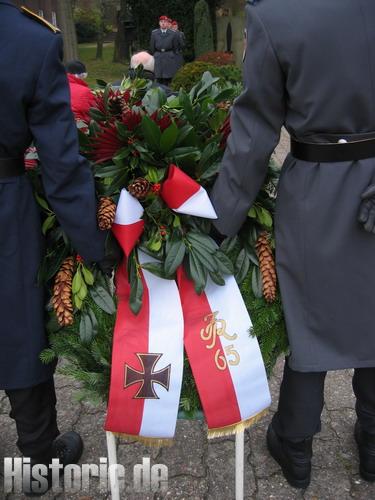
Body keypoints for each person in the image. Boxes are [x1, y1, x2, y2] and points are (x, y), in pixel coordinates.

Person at [210, 0, 375, 490]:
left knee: (311, 323)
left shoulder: (274, 15)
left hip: (314, 193)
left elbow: (254, 136)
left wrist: (220, 223)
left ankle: (296, 445)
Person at [0, 2, 111, 495]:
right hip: (5, 206)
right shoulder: (30, 39)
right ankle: (39, 456)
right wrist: (95, 246)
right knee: (18, 324)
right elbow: (61, 165)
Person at [150, 15, 179, 86]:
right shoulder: (154, 33)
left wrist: (172, 55)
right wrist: (155, 54)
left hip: (169, 56)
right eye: (161, 22)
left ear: (168, 23)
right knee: (158, 78)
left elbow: (175, 47)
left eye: (165, 22)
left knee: (169, 78)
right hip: (158, 56)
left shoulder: (173, 33)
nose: (163, 23)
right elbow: (152, 46)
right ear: (159, 23)